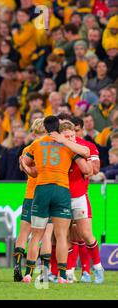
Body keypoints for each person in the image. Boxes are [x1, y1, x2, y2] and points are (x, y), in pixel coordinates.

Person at [21, 116, 90, 283]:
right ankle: (62, 276)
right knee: (61, 236)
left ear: (44, 128)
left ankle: (29, 274)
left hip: (42, 189)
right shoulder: (67, 146)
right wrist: (65, 142)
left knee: (36, 234)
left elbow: (28, 164)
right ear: (58, 127)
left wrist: (26, 168)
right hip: (61, 190)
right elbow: (86, 156)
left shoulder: (36, 144)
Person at [64, 116, 104, 284]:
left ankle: (97, 269)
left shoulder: (86, 146)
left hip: (79, 196)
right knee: (66, 237)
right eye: (65, 135)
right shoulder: (58, 149)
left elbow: (92, 170)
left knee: (86, 235)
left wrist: (77, 155)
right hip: (62, 196)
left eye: (72, 133)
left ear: (76, 131)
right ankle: (68, 271)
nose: (70, 137)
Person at [13, 118, 48, 281]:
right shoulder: (50, 148)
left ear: (33, 132)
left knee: (23, 233)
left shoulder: (29, 148)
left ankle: (17, 266)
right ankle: (42, 272)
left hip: (30, 194)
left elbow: (22, 167)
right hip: (44, 193)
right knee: (43, 235)